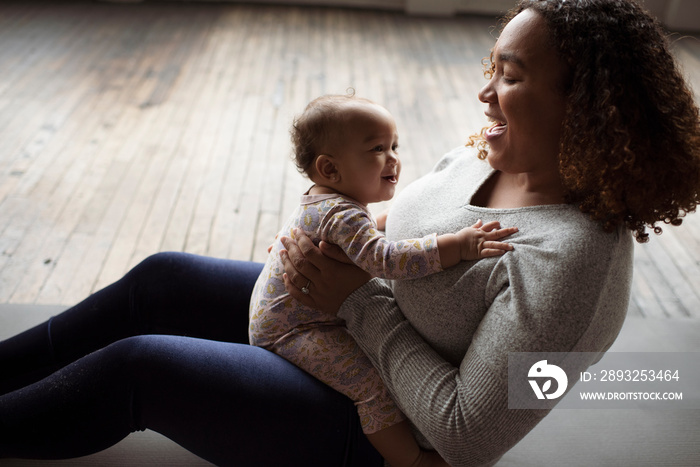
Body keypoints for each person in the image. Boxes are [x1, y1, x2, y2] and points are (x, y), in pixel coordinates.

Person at [1, 1, 699, 466]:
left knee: (140, 366)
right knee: (163, 277)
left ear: (585, 109)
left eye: (509, 78)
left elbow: (464, 436)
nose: (485, 93)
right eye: (492, 70)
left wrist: (354, 300)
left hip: (369, 418)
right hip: (339, 319)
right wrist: (330, 238)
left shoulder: (573, 267)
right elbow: (407, 219)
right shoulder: (494, 150)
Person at [249, 94, 517, 467]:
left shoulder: (325, 200)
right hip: (296, 330)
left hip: (280, 315)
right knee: (372, 390)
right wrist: (456, 246)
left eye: (394, 145)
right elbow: (385, 261)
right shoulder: (343, 216)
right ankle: (410, 461)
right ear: (329, 169)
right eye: (377, 148)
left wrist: (381, 220)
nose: (393, 157)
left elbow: (350, 233)